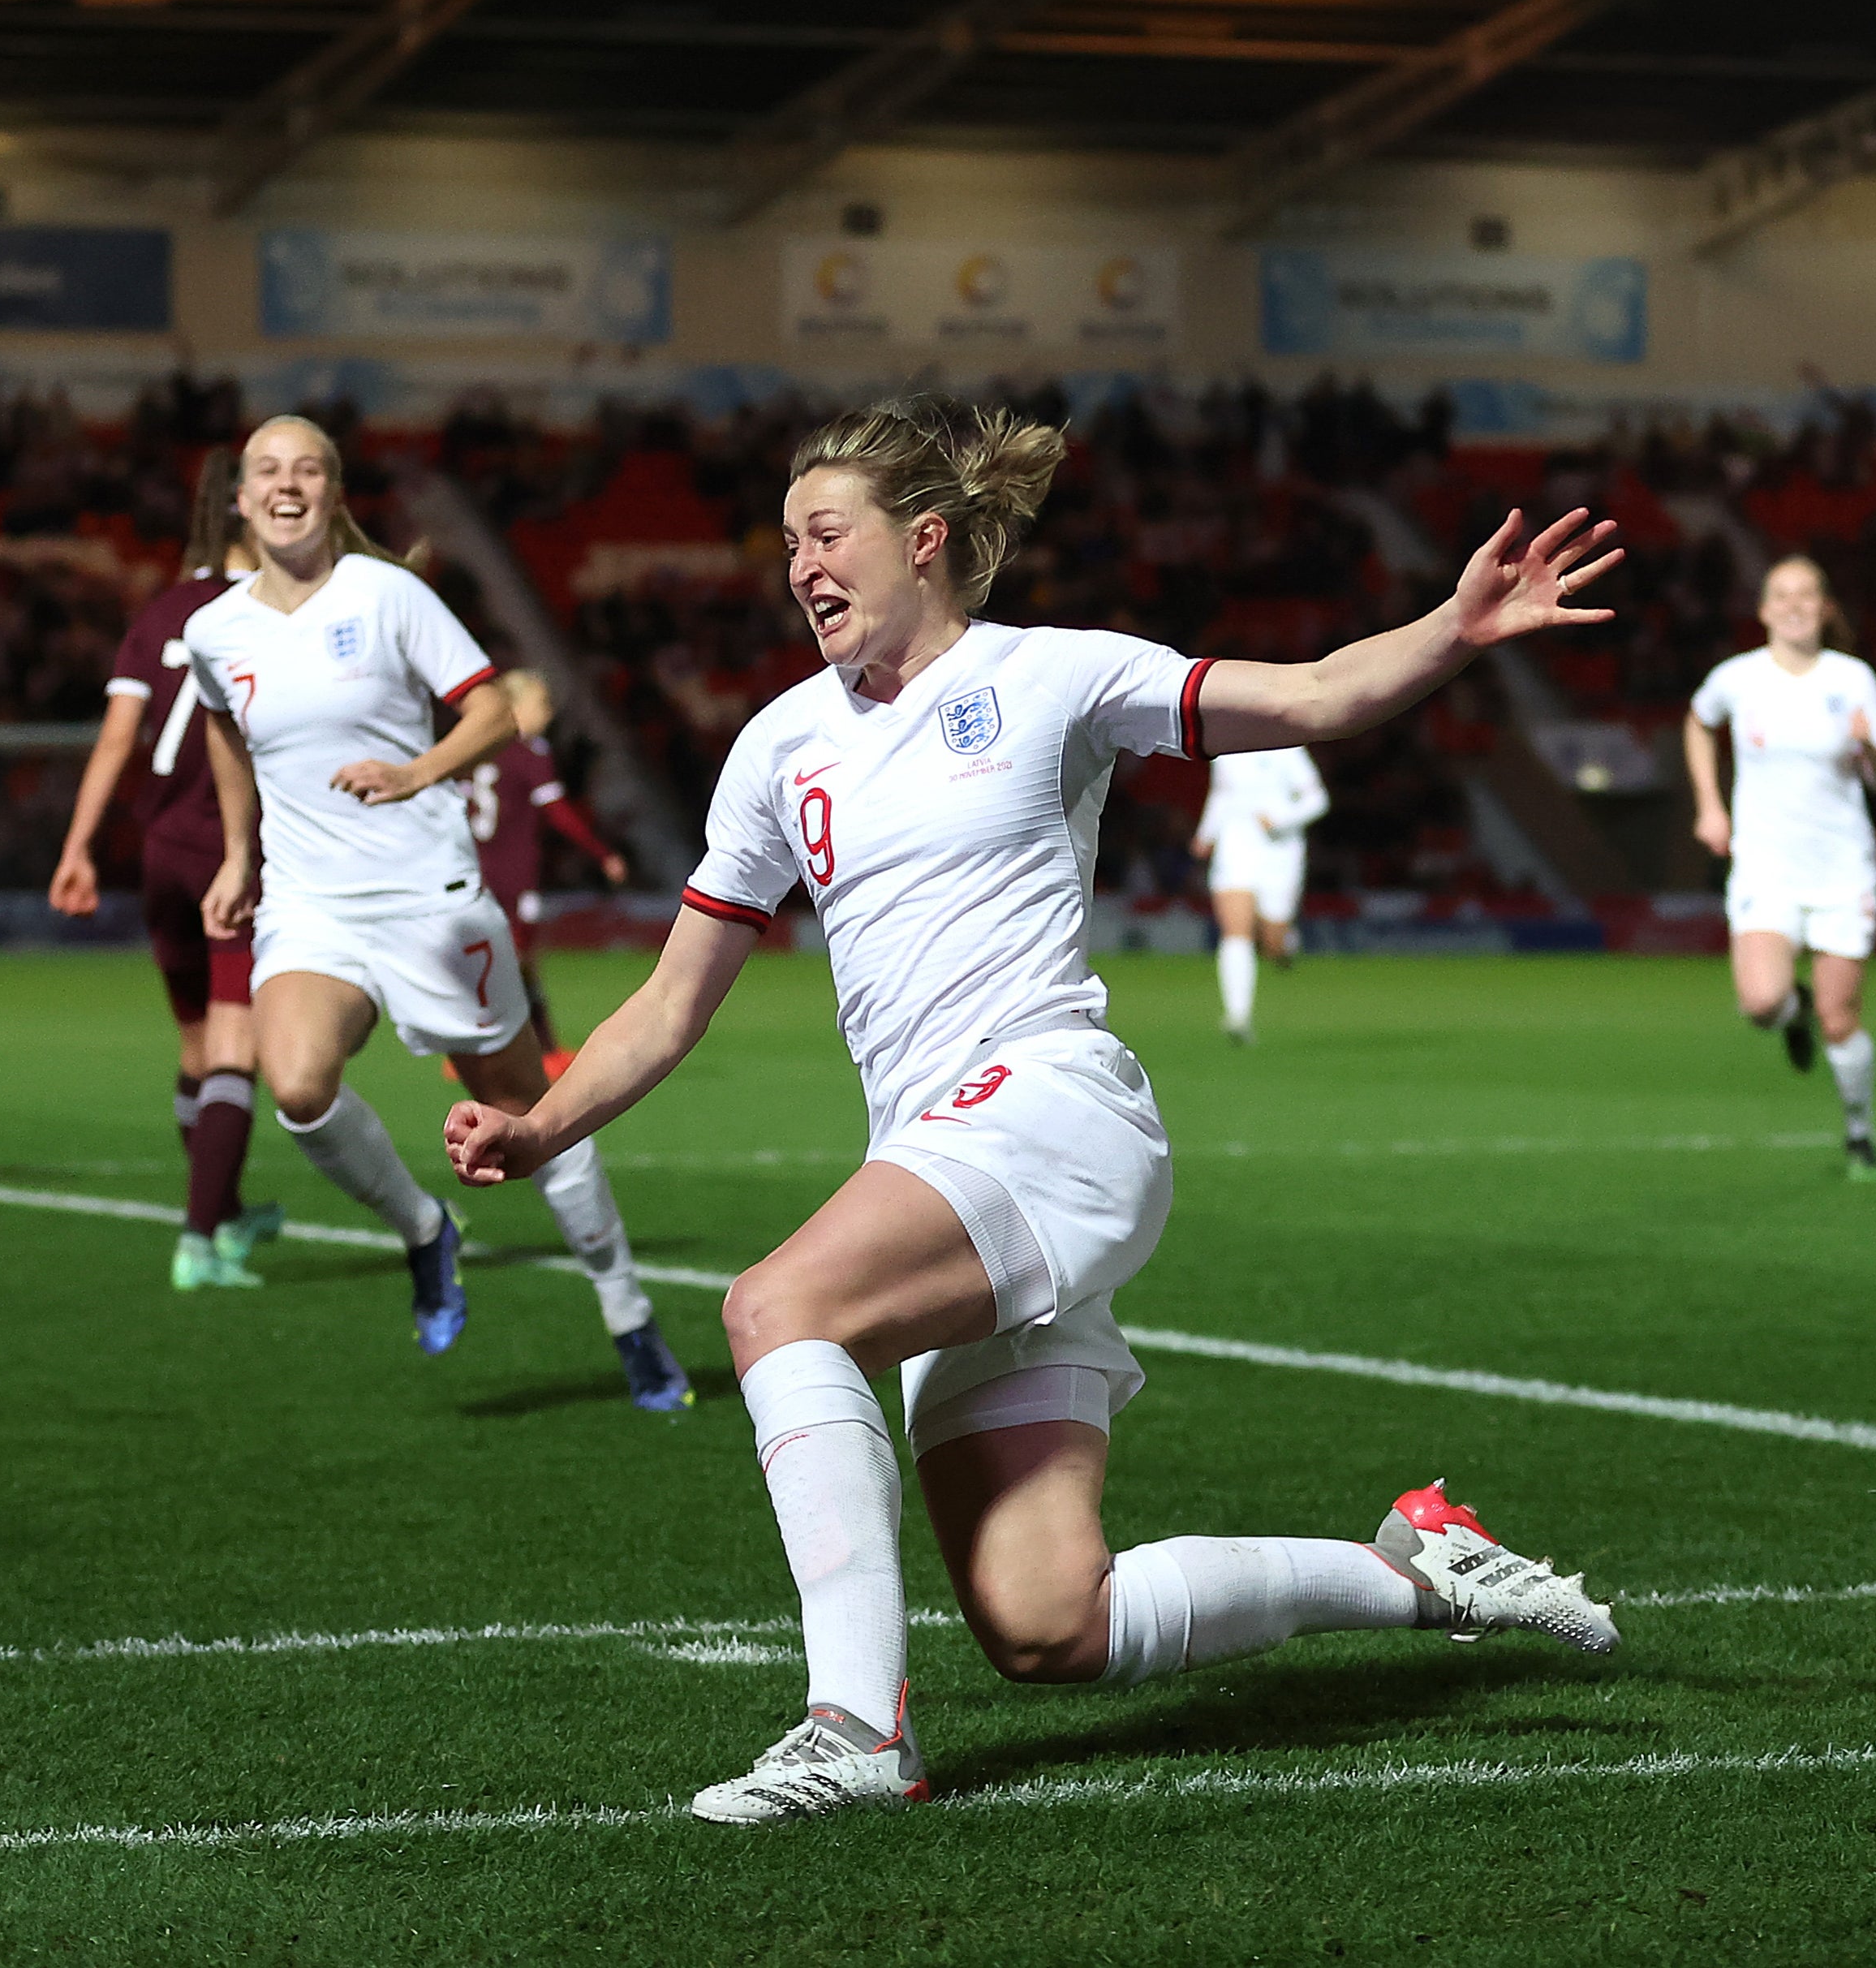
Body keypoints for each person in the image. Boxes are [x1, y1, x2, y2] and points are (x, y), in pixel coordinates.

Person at [445, 397, 1623, 1825]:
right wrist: (540, 1123)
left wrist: (1451, 628)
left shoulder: (1055, 676)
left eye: (825, 534)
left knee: (775, 1307)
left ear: (922, 540)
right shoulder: (775, 748)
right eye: (784, 546)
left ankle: (854, 1731)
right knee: (1047, 1623)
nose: (799, 567)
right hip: (940, 1163)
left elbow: (1309, 696)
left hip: (1050, 1110)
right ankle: (1415, 1567)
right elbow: (672, 998)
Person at [191, 415, 692, 1411]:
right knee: (294, 1087)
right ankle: (425, 1230)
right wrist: (238, 852)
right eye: (266, 473)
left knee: (525, 1109)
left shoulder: (388, 595)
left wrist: (414, 772)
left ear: (332, 495)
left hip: (427, 898)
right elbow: (221, 725)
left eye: (308, 470)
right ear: (241, 502)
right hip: (309, 908)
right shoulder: (215, 629)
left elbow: (494, 708)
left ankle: (626, 1310)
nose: (287, 486)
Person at [49, 450, 282, 1290]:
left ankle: (221, 1212)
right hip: (228, 853)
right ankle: (198, 1240)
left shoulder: (160, 612)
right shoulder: (271, 613)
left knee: (195, 1045)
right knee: (235, 1046)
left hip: (157, 854)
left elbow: (118, 737)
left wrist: (77, 847)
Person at [1684, 553, 1876, 1179]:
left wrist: (1871, 751)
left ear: (1825, 607)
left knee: (1842, 1019)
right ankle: (1790, 1012)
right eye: (1782, 594)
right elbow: (1697, 723)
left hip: (1841, 871)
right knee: (1759, 1002)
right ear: (1763, 609)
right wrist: (1708, 805)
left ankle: (1858, 1134)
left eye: (1808, 594)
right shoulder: (1737, 677)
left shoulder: (1853, 679)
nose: (1795, 604)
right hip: (1765, 869)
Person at [464, 668, 630, 1078]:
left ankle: (476, 1046)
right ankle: (545, 1050)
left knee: (491, 957)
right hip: (513, 874)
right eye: (541, 704)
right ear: (517, 709)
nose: (548, 713)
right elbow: (558, 813)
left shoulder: (476, 750)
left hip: (473, 870)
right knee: (521, 961)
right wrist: (602, 853)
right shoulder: (530, 752)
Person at [1190, 744, 1328, 1041]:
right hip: (1235, 847)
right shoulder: (1226, 748)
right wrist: (1207, 834)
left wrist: (1281, 818)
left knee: (1273, 943)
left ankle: (1284, 944)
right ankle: (1237, 1018)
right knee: (1235, 932)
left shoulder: (1288, 749)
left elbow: (1317, 799)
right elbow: (1222, 794)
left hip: (1280, 853)